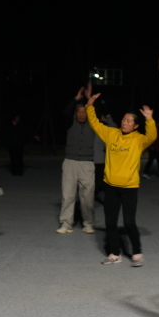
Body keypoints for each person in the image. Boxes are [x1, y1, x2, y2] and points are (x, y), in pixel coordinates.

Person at [85, 88, 156, 266]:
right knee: (110, 223)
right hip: (110, 186)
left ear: (136, 126)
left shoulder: (138, 140)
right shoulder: (111, 134)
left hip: (129, 188)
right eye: (124, 119)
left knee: (129, 222)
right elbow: (95, 124)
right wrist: (89, 106)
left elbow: (152, 136)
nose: (125, 122)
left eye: (129, 121)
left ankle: (137, 253)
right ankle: (114, 253)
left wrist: (149, 120)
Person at [59, 86, 100, 234]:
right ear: (75, 113)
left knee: (87, 196)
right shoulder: (70, 124)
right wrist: (76, 98)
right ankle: (66, 223)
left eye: (84, 112)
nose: (82, 115)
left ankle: (88, 223)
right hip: (70, 162)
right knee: (68, 195)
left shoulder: (92, 124)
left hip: (87, 164)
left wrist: (90, 100)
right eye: (79, 112)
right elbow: (65, 112)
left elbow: (97, 113)